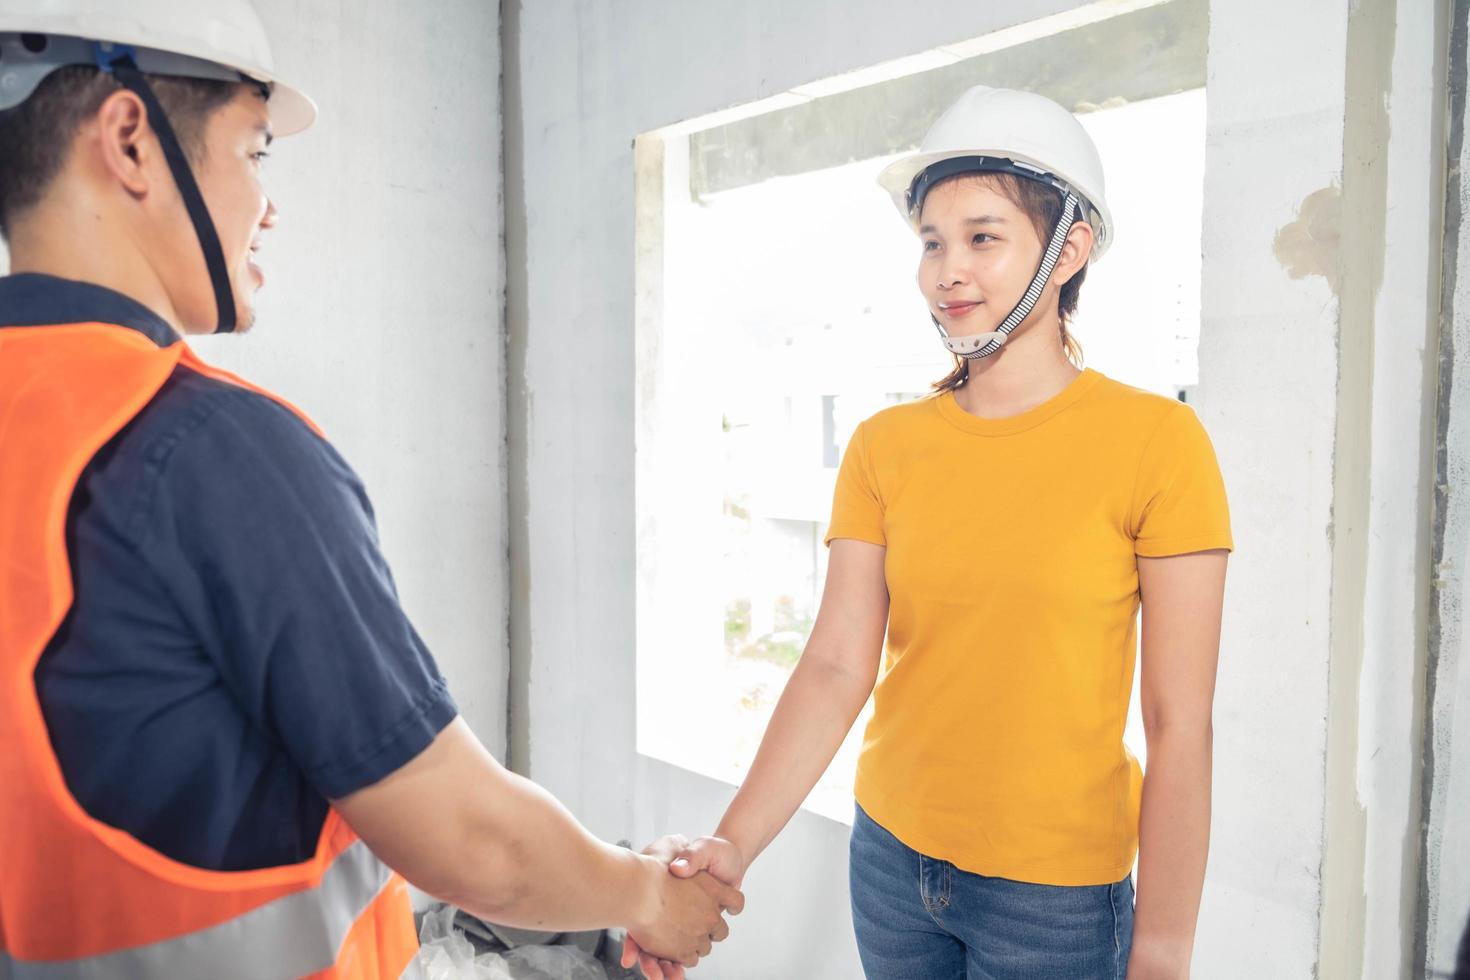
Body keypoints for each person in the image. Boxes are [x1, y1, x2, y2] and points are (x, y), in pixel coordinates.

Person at [0, 2, 739, 976]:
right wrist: (649, 894)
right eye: (256, 152)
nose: (270, 204)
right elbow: (473, 839)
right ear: (131, 141)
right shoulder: (210, 449)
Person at [627, 85, 1233, 980]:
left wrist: (1165, 951)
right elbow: (836, 665)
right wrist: (733, 845)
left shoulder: (1158, 443)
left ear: (1070, 248)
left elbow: (1181, 723)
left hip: (1054, 898)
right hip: (892, 864)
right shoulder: (886, 446)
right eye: (932, 242)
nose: (947, 270)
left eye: (983, 237)